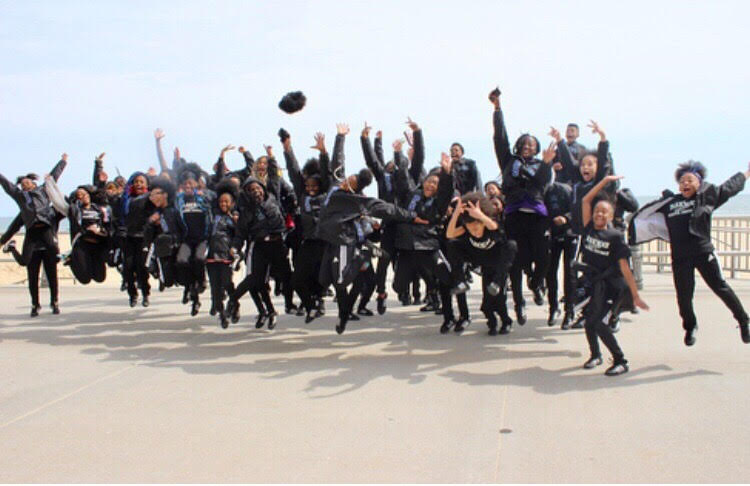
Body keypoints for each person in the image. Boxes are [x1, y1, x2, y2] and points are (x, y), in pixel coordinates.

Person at [630, 160, 750, 345]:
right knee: (684, 296)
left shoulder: (706, 197)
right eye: (682, 181)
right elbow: (645, 215)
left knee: (721, 288)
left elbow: (729, 188)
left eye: (690, 180)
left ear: (699, 183)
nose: (685, 184)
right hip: (680, 257)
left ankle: (743, 320)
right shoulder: (670, 203)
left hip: (703, 253)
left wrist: (747, 172)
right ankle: (690, 326)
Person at [490, 89, 554, 323]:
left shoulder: (541, 164)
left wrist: (547, 164)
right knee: (515, 262)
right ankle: (519, 305)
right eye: (524, 145)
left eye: (532, 145)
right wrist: (497, 110)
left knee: (543, 256)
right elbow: (500, 138)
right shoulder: (509, 160)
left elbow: (542, 183)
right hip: (515, 215)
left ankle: (537, 284)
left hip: (537, 217)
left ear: (537, 149)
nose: (528, 147)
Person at [578, 174, 649, 375]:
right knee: (589, 319)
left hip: (613, 287)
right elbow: (585, 200)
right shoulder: (589, 228)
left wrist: (635, 295)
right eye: (597, 211)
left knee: (599, 323)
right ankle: (595, 355)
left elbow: (625, 268)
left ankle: (621, 360)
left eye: (604, 212)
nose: (599, 214)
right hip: (595, 283)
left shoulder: (616, 237)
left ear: (611, 216)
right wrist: (604, 181)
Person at [0, 154, 67, 316]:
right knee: (29, 270)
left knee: (52, 271)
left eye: (28, 183)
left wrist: (63, 162)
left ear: (34, 183)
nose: (25, 185)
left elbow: (53, 177)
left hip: (46, 230)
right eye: (22, 184)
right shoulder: (20, 198)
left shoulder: (43, 191)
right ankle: (35, 304)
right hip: (32, 233)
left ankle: (54, 302)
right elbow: (8, 186)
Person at [446, 193, 517, 335]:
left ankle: (506, 321)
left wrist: (480, 215)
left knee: (498, 299)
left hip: (498, 266)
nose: (475, 232)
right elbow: (450, 234)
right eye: (471, 228)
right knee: (452, 244)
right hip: (481, 261)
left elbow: (493, 226)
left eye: (477, 227)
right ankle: (461, 281)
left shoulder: (491, 226)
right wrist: (456, 214)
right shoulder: (467, 229)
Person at [206, 180, 239, 328]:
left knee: (227, 283)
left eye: (226, 202)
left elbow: (239, 237)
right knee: (215, 286)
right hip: (212, 256)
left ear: (232, 203)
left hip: (226, 255)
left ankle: (234, 303)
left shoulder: (234, 218)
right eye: (221, 201)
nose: (223, 204)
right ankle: (221, 314)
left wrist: (236, 252)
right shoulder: (213, 216)